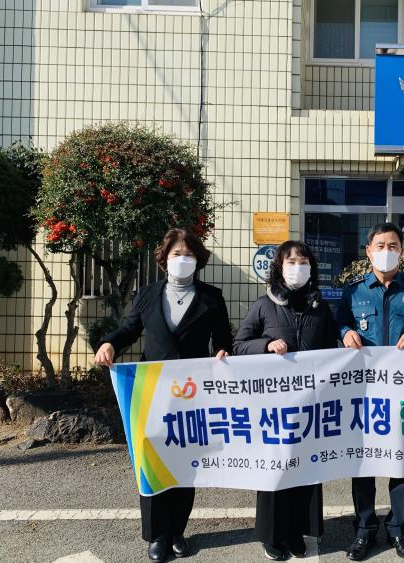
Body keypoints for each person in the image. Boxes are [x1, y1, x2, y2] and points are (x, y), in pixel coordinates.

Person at [94, 228, 233, 562]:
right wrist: (110, 343)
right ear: (164, 259)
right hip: (153, 391)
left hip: (193, 392)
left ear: (198, 260)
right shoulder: (148, 294)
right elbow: (129, 329)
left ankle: (178, 531)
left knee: (185, 462)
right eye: (176, 254)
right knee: (154, 460)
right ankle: (157, 534)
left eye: (189, 254)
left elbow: (223, 339)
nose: (182, 260)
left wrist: (223, 353)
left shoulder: (212, 297)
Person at [335, 222, 404, 562]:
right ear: (368, 251)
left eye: (393, 245)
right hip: (363, 390)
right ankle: (364, 528)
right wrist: (346, 332)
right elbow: (338, 322)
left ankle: (399, 528)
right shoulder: (353, 290)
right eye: (380, 245)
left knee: (401, 459)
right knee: (363, 459)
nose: (386, 251)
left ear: (401, 251)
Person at [233, 240, 336, 561]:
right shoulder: (264, 305)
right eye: (291, 262)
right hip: (273, 407)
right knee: (275, 469)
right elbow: (239, 345)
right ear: (279, 267)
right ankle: (272, 535)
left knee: (305, 469)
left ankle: (297, 531)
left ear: (311, 268)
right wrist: (265, 345)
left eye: (303, 262)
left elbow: (334, 351)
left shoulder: (321, 307)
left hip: (310, 405)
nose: (297, 268)